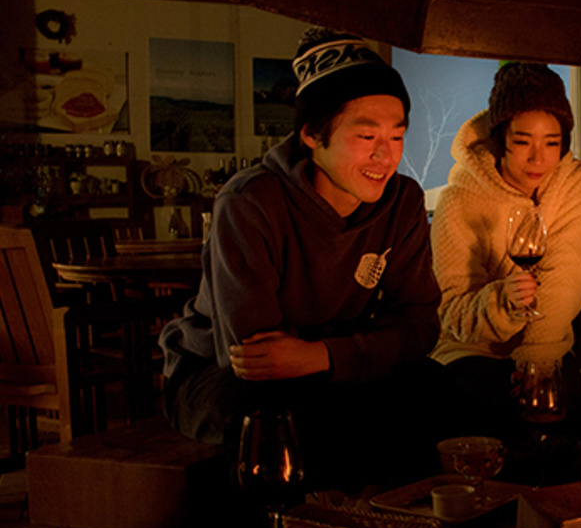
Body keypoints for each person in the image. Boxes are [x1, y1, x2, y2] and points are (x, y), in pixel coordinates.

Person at [159, 28, 443, 492]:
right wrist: (355, 351)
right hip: (219, 372)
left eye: (397, 136)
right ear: (311, 134)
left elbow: (419, 326)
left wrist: (323, 354)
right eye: (366, 135)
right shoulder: (250, 201)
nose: (386, 155)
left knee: (443, 396)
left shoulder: (402, 201)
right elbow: (256, 357)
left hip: (325, 363)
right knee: (285, 424)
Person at [430, 62, 581, 446]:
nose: (538, 159)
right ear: (500, 138)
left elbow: (567, 276)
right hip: (470, 351)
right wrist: (501, 303)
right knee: (484, 423)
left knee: (573, 441)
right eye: (523, 142)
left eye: (552, 143)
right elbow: (452, 311)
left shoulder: (574, 183)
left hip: (548, 345)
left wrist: (536, 359)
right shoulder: (459, 199)